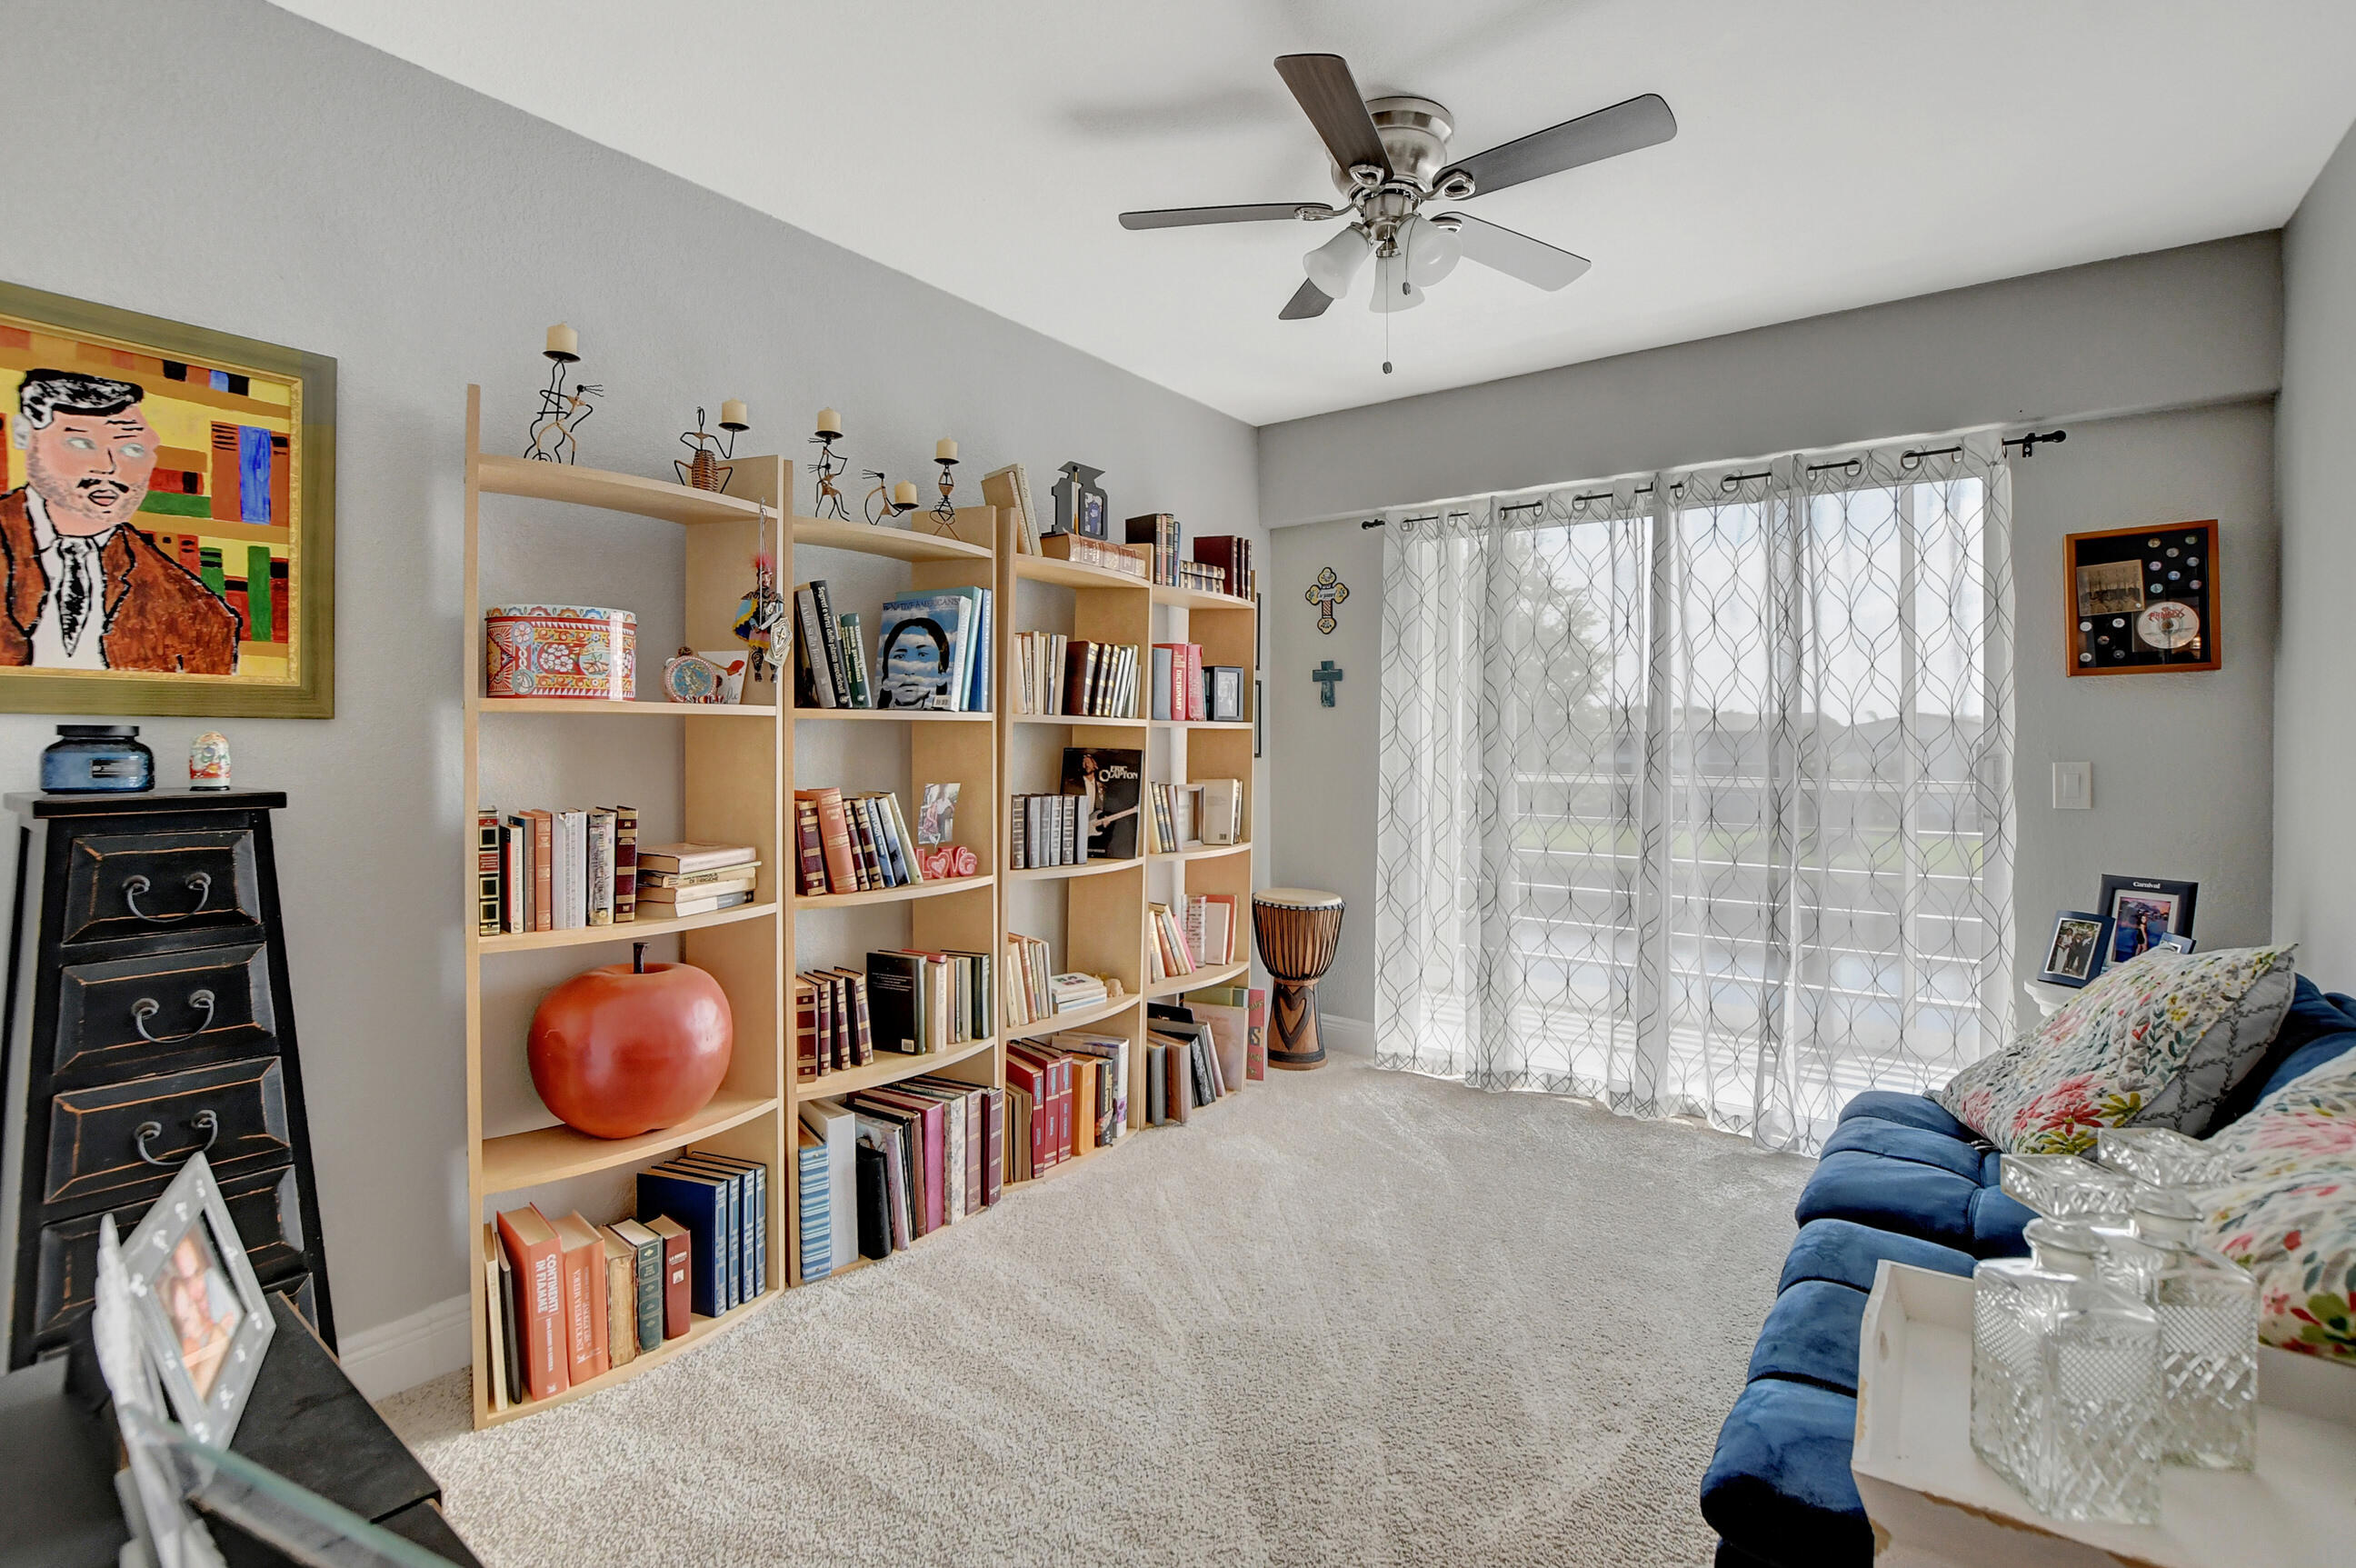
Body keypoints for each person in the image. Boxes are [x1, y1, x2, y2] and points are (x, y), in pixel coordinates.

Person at [2, 368, 241, 673]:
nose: (109, 468)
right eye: (81, 444)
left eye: (132, 449)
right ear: (25, 435)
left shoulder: (196, 611)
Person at [161, 1230, 241, 1399]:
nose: (197, 1288)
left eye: (197, 1273)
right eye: (187, 1280)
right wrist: (218, 1334)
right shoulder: (188, 1345)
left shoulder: (212, 1282)